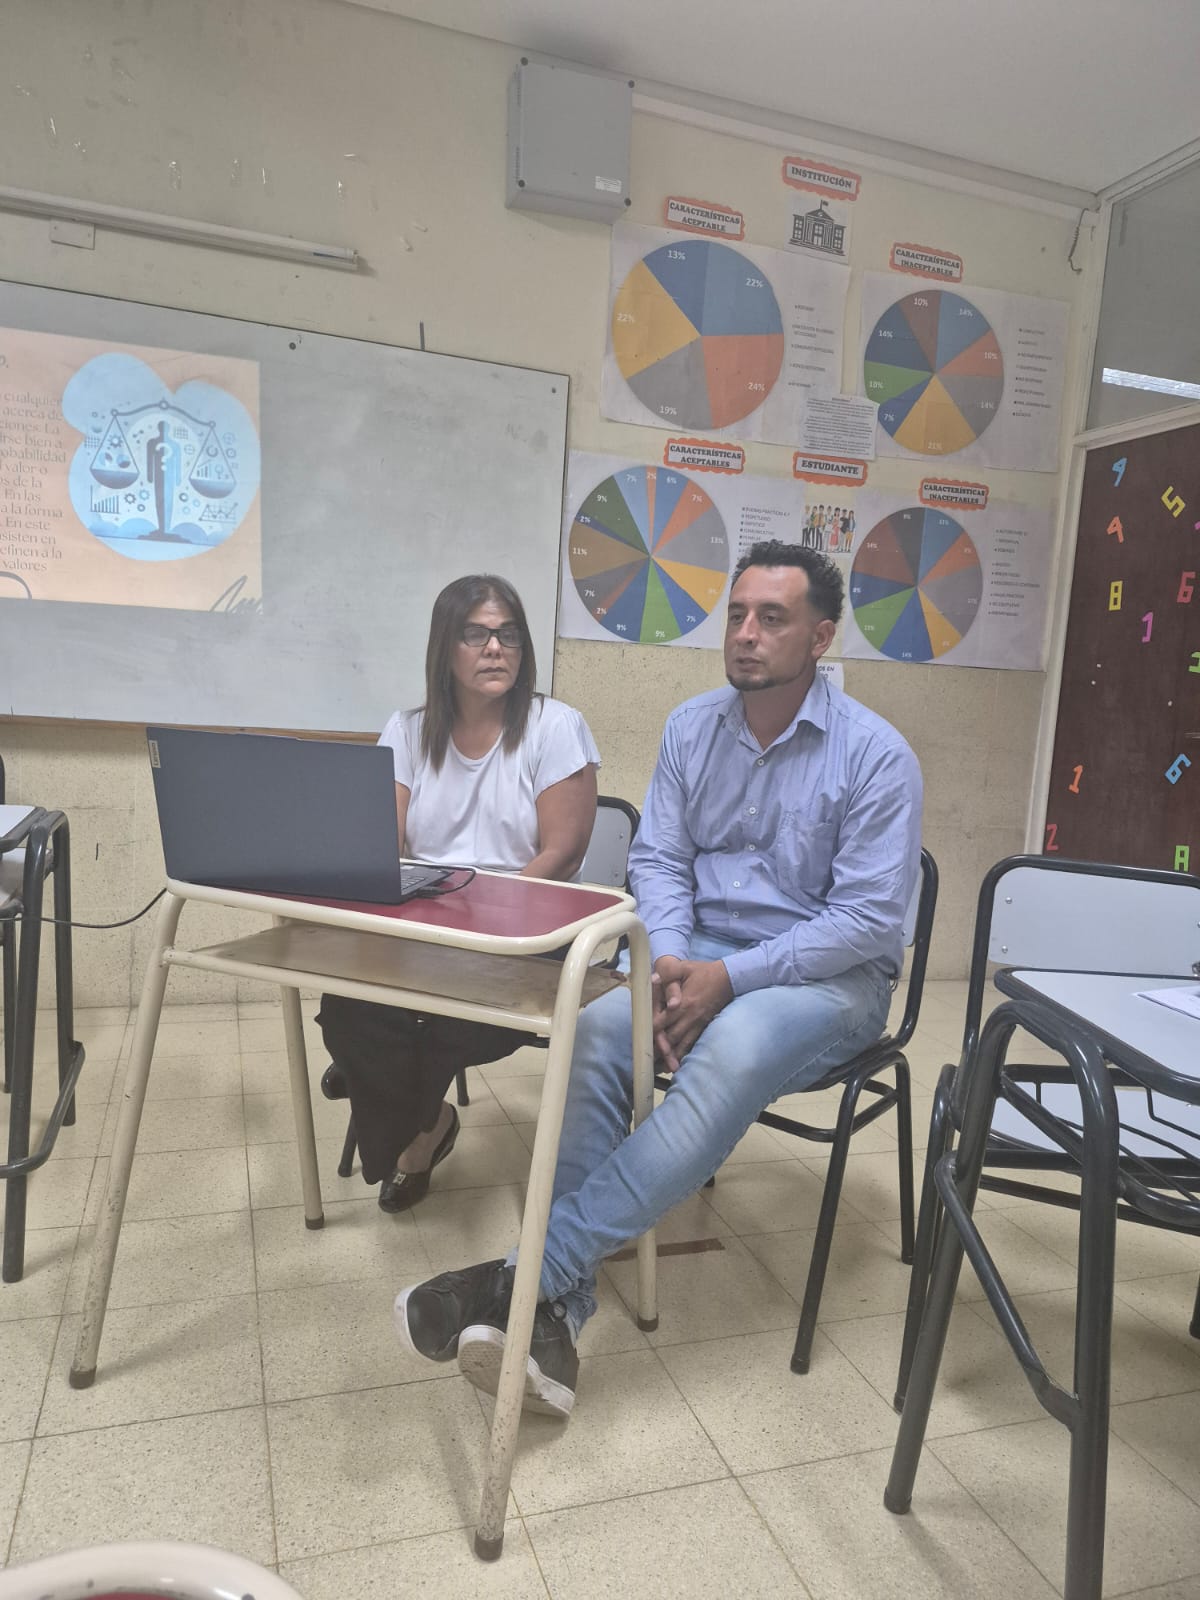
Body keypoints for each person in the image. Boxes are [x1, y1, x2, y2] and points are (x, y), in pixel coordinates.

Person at [392, 539, 923, 1417]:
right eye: (738, 615)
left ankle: (525, 1275)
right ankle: (555, 1319)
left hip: (828, 979)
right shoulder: (691, 727)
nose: (745, 634)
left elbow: (866, 921)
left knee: (732, 1049)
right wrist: (671, 959)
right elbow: (662, 860)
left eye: (773, 618)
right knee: (596, 1027)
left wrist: (730, 978)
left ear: (821, 636)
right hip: (693, 952)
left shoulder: (876, 755)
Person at [317, 573, 599, 1213]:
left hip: (527, 931)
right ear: (445, 647)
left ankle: (399, 1115)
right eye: (476, 634)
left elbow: (563, 854)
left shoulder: (556, 726)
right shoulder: (408, 730)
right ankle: (417, 1104)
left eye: (509, 635)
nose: (495, 647)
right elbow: (382, 845)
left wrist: (488, 923)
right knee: (346, 1004)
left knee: (432, 1019)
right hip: (424, 927)